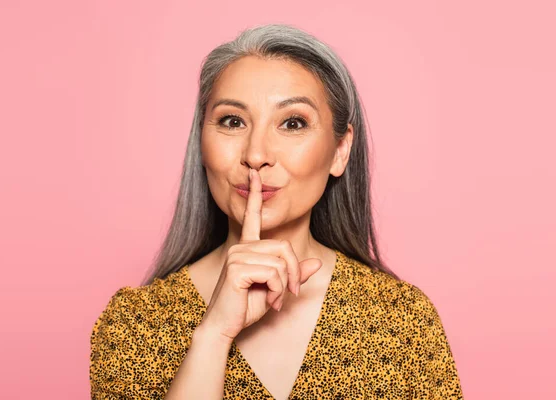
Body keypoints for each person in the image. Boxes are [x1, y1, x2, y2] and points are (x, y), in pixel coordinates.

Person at [89, 23, 463, 399]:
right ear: (201, 142)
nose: (255, 155)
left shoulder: (401, 320)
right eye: (232, 122)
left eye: (293, 123)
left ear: (340, 151)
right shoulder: (136, 324)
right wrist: (214, 334)